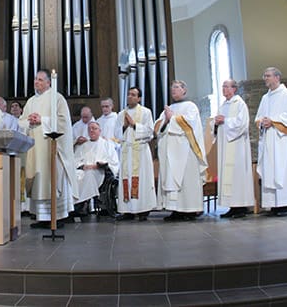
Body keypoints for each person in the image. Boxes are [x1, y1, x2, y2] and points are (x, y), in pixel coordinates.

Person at [18, 69, 78, 228]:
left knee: (50, 179)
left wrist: (42, 120)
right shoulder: (31, 101)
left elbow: (64, 122)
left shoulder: (57, 98)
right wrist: (29, 121)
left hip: (50, 147)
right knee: (38, 181)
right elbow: (21, 122)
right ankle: (41, 217)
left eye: (40, 79)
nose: (36, 82)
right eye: (35, 79)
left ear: (48, 82)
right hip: (35, 149)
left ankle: (56, 217)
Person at [255, 67, 287, 216]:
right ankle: (274, 205)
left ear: (277, 77)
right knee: (270, 170)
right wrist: (262, 122)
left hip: (283, 141)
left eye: (268, 76)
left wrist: (274, 122)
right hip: (269, 140)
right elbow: (258, 118)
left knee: (283, 170)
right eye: (264, 76)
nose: (265, 78)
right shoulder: (265, 98)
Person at [155, 80, 207, 221]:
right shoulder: (169, 107)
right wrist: (165, 121)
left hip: (185, 151)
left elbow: (191, 125)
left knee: (186, 180)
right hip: (170, 151)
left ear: (184, 90)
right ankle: (176, 210)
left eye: (177, 88)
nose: (174, 90)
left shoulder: (191, 107)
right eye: (172, 88)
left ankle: (190, 210)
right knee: (172, 179)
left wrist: (172, 118)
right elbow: (157, 128)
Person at [210, 79, 255, 218]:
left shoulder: (240, 104)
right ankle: (232, 207)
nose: (224, 89)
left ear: (234, 89)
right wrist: (216, 124)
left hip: (237, 148)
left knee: (238, 176)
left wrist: (225, 121)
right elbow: (216, 126)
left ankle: (241, 207)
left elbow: (242, 124)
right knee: (229, 176)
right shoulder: (223, 105)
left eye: (226, 87)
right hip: (225, 146)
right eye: (223, 86)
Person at [115, 87, 156, 221]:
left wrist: (134, 124)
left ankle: (143, 210)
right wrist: (125, 126)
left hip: (140, 151)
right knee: (126, 178)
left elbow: (150, 132)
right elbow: (116, 134)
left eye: (133, 95)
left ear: (139, 98)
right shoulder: (121, 114)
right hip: (127, 151)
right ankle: (127, 211)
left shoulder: (146, 112)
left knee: (142, 180)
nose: (130, 97)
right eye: (128, 94)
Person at [73, 121, 119, 218]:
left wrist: (98, 165)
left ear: (99, 131)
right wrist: (82, 166)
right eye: (89, 129)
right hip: (83, 170)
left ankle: (80, 204)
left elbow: (113, 162)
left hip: (99, 172)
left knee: (89, 175)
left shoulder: (107, 144)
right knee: (74, 176)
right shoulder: (84, 145)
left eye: (94, 128)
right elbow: (76, 160)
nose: (91, 130)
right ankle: (74, 204)